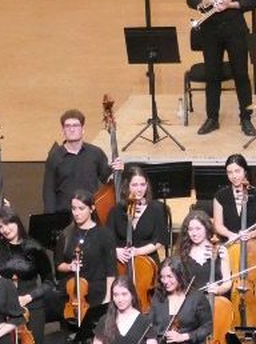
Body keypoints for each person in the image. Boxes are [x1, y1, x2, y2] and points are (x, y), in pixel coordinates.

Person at [187, 0, 256, 136]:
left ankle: (246, 118)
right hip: (210, 32)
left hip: (235, 30)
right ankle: (212, 118)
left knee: (241, 75)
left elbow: (254, 1)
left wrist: (232, 3)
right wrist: (206, 0)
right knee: (212, 75)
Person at [108, 166, 170, 308]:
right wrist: (116, 251)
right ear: (126, 186)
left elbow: (160, 240)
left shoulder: (157, 208)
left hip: (148, 263)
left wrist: (137, 252)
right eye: (134, 185)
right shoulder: (117, 210)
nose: (139, 189)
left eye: (142, 184)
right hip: (122, 264)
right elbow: (107, 240)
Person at [56, 190, 116, 332]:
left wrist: (108, 298)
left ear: (92, 208)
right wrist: (70, 267)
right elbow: (58, 264)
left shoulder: (104, 234)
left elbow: (111, 270)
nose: (76, 213)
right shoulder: (66, 234)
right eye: (74, 208)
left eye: (81, 209)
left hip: (97, 294)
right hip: (72, 295)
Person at [0, 208, 55, 344]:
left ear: (17, 222)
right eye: (0, 226)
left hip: (33, 307)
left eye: (8, 223)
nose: (5, 229)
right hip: (6, 308)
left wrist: (29, 297)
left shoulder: (35, 247)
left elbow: (49, 282)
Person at [42, 108, 116, 214]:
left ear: (83, 129)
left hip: (90, 214)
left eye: (75, 125)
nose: (72, 129)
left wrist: (117, 171)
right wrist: (50, 218)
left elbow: (107, 178)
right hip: (65, 215)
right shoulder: (55, 156)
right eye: (67, 126)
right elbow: (48, 191)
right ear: (63, 130)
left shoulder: (95, 153)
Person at [210, 154, 256, 242]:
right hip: (228, 241)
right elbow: (218, 225)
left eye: (237, 171)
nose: (234, 176)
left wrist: (250, 234)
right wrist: (231, 235)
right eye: (230, 172)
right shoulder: (220, 196)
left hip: (252, 244)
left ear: (245, 171)